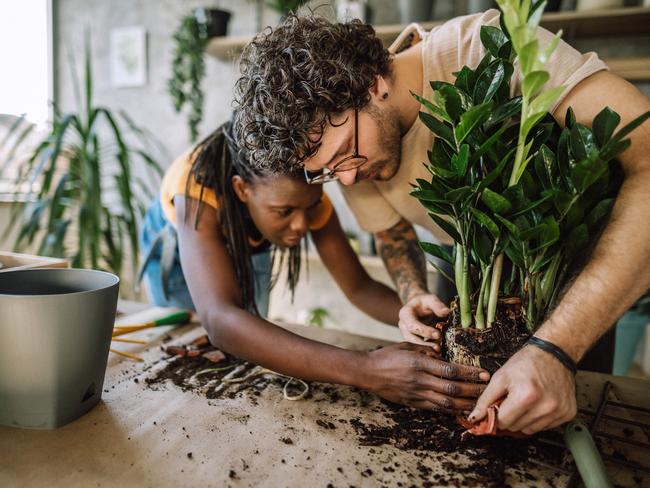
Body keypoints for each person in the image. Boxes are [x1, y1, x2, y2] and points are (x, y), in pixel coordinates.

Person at [232, 9, 650, 434]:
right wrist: (412, 293)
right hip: (465, 268)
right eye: (326, 171)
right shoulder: (347, 145)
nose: (348, 178)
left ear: (373, 85)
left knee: (570, 424)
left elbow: (647, 158)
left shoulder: (484, 49)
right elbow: (391, 230)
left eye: (344, 155)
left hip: (568, 269)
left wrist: (555, 349)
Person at [139, 121, 491, 409]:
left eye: (310, 207)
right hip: (179, 240)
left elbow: (359, 288)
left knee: (248, 344)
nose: (302, 226)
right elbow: (221, 321)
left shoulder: (302, 200)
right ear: (242, 189)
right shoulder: (197, 189)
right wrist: (366, 369)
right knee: (192, 350)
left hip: (248, 233)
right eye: (284, 212)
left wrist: (429, 323)